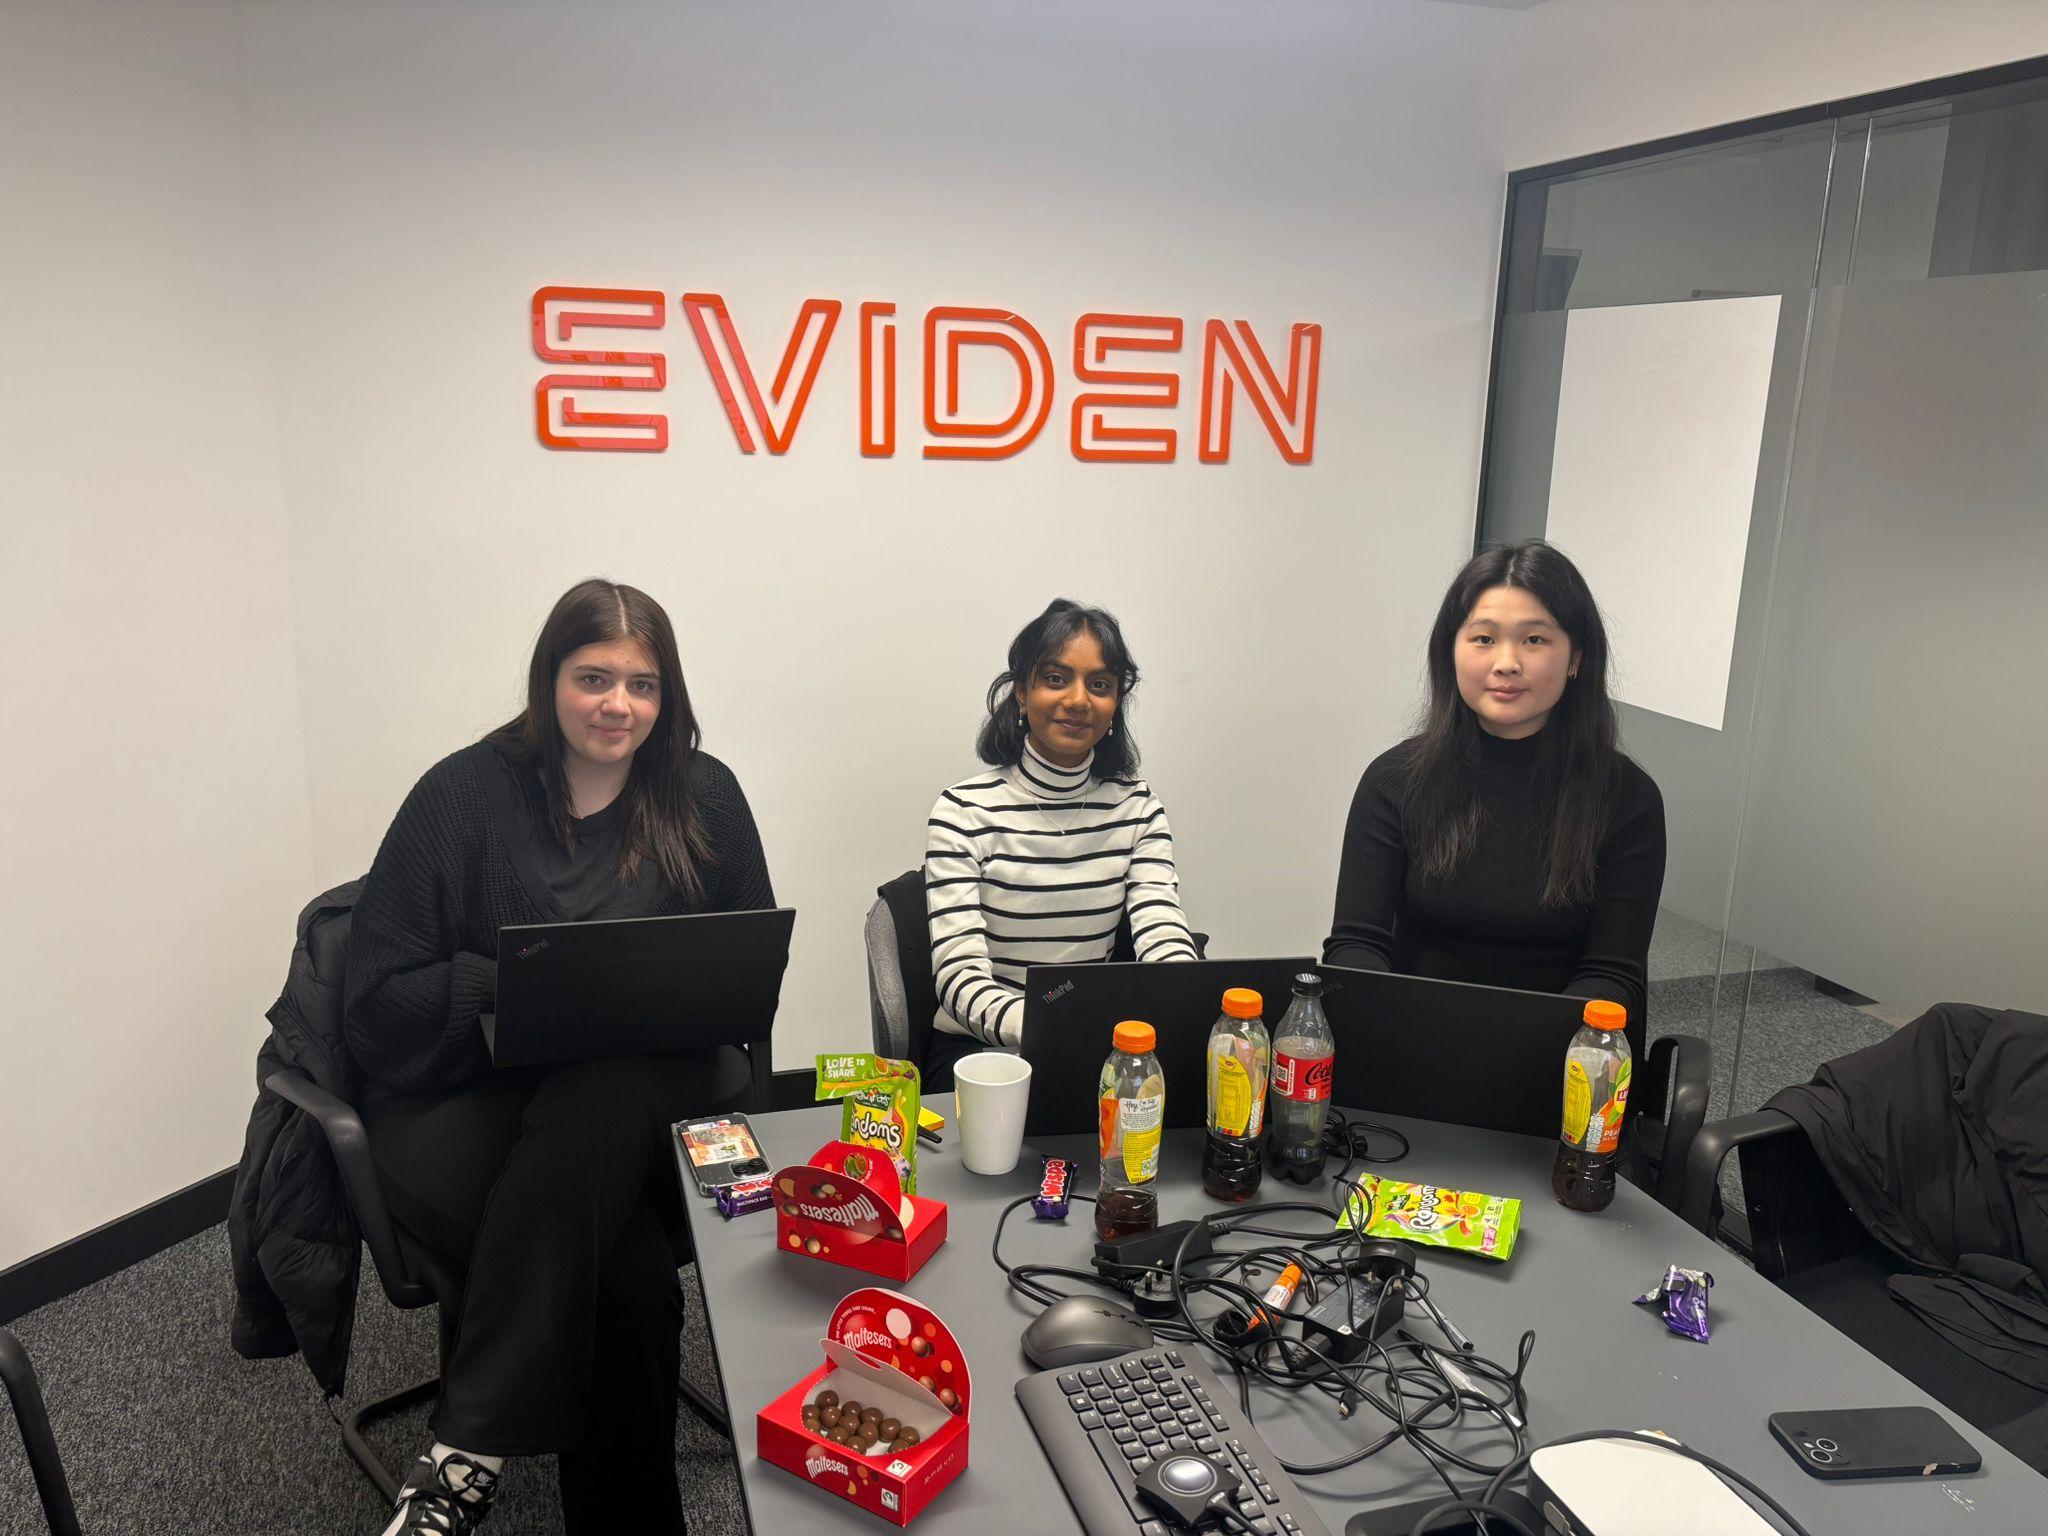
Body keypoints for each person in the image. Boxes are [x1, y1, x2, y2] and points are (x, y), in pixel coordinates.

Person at [344, 579, 773, 1536]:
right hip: (474, 1097)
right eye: (593, 678)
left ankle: (465, 1452)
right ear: (548, 680)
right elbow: (372, 1005)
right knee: (627, 1285)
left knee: (614, 1080)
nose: (618, 705)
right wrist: (506, 981)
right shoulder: (459, 795)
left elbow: (748, 978)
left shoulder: (705, 793)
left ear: (668, 696)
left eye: (643, 684)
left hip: (654, 1087)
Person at [1324, 541, 1665, 1027]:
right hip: (1410, 1037)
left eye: (1534, 640)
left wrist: (1513, 1048)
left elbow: (1612, 976)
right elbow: (1355, 946)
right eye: (1483, 639)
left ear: (1576, 658)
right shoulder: (1394, 780)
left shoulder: (1627, 799)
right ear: (1452, 651)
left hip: (1557, 1058)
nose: (1506, 662)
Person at [924, 598, 1199, 1083]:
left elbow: (1162, 932)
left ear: (1116, 704)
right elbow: (959, 978)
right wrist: (1057, 1029)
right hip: (983, 1049)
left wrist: (1191, 1001)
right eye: (1056, 679)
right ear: (1020, 693)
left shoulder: (1137, 809)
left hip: (1097, 1044)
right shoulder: (962, 810)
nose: (1078, 700)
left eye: (1100, 685)